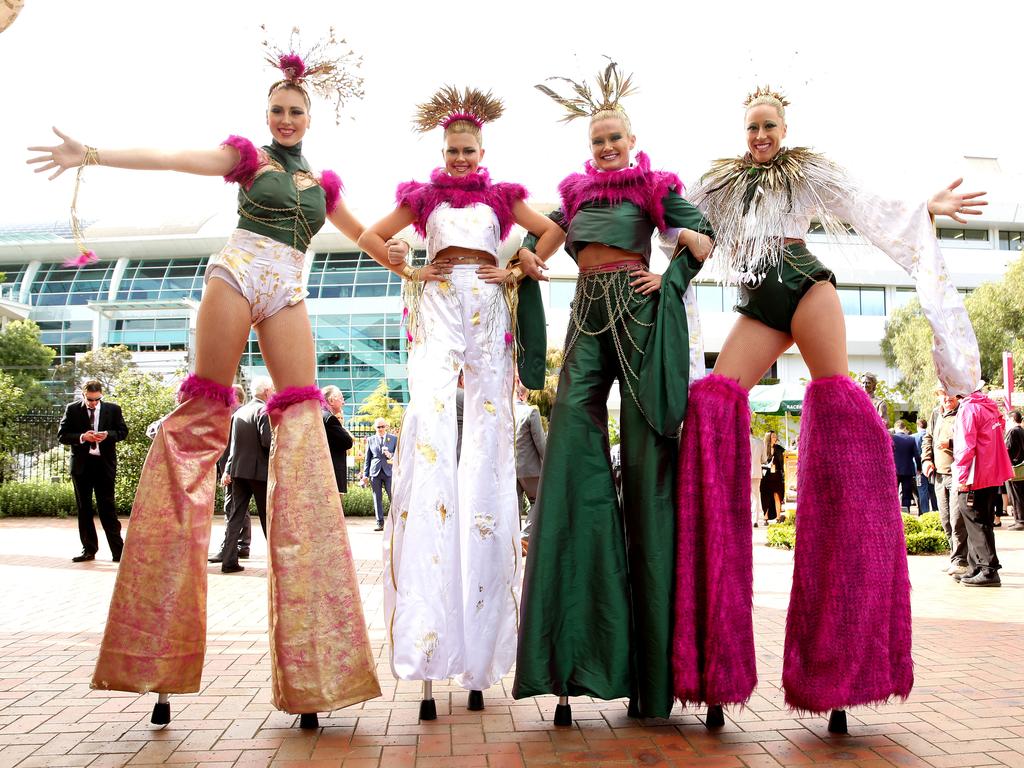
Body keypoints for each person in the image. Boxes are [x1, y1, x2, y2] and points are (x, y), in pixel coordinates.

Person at [29, 35, 380, 726]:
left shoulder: (323, 187)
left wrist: (410, 267)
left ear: (309, 118)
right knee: (197, 427)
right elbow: (172, 159)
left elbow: (367, 236)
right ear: (268, 112)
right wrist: (92, 153)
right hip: (238, 271)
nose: (284, 120)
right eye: (276, 110)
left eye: (294, 112)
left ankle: (318, 671)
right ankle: (157, 656)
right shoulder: (247, 162)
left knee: (305, 438)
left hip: (290, 288)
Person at [672, 85, 984, 718]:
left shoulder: (806, 173)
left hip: (805, 284)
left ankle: (840, 668)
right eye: (751, 128)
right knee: (709, 411)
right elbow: (676, 222)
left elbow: (868, 207)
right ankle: (714, 659)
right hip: (760, 304)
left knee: (844, 425)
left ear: (784, 129)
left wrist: (927, 204)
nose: (759, 137)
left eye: (768, 127)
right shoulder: (720, 185)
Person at [513, 63, 714, 723]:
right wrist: (526, 258)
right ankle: (572, 654)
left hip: (639, 315)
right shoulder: (571, 196)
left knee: (651, 469)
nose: (607, 148)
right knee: (570, 455)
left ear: (631, 140)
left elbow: (702, 238)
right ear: (589, 146)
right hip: (585, 323)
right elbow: (534, 238)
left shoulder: (654, 186)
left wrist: (673, 279)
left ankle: (653, 678)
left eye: (615, 139)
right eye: (598, 140)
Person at [358, 85, 564, 715]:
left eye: (468, 150)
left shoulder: (503, 197)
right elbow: (372, 235)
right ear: (440, 151)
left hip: (488, 309)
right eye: (451, 150)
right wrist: (409, 270)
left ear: (483, 150)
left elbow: (552, 230)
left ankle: (480, 646)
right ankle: (428, 635)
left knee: (488, 448)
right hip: (442, 302)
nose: (459, 159)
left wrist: (523, 264)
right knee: (429, 432)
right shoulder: (423, 199)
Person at [57, 380, 129, 563]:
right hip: (82, 466)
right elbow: (62, 435)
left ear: (101, 396)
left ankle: (118, 552)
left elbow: (122, 431)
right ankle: (88, 550)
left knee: (108, 508)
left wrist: (108, 435)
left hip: (104, 465)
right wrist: (82, 437)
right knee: (84, 509)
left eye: (97, 400)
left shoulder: (113, 409)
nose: (93, 403)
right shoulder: (72, 409)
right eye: (90, 399)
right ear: (84, 395)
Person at [209, 378, 273, 573]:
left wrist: (228, 469)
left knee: (235, 516)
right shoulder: (264, 411)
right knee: (268, 518)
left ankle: (228, 561)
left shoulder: (240, 413)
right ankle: (277, 561)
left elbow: (233, 446)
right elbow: (267, 442)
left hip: (238, 471)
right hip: (259, 472)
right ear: (268, 391)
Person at [954, 390, 1013, 586]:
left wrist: (962, 476)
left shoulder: (969, 409)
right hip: (990, 473)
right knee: (982, 521)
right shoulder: (989, 407)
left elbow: (965, 445)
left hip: (975, 475)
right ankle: (977, 567)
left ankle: (987, 569)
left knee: (975, 520)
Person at [923, 390, 969, 575]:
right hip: (939, 475)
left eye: (950, 396)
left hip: (958, 473)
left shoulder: (963, 412)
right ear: (938, 396)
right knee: (945, 520)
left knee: (956, 519)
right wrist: (926, 459)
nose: (946, 399)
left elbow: (970, 439)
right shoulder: (936, 413)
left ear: (957, 397)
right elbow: (928, 438)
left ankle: (961, 560)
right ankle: (954, 556)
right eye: (943, 396)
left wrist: (950, 443)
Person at [513, 382, 546, 552]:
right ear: (523, 395)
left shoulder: (507, 412)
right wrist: (548, 462)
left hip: (512, 469)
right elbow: (540, 442)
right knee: (539, 500)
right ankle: (524, 538)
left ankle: (512, 541)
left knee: (514, 507)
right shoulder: (531, 411)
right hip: (531, 470)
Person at [361, 418, 396, 531]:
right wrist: (365, 475)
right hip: (375, 472)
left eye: (382, 426)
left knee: (393, 497)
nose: (380, 429)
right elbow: (367, 458)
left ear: (386, 426)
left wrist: (390, 454)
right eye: (378, 427)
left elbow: (398, 454)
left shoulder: (394, 439)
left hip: (389, 471)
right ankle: (379, 523)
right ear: (375, 428)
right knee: (377, 498)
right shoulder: (371, 440)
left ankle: (396, 521)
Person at [322, 385, 354, 498]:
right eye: (341, 398)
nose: (343, 402)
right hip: (331, 475)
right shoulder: (329, 419)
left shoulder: (319, 415)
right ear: (331, 400)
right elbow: (348, 442)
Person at [892, 420, 922, 514]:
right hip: (908, 469)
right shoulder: (911, 439)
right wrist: (919, 468)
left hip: (894, 470)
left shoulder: (892, 438)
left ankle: (894, 512)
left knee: (893, 492)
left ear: (895, 428)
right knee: (907, 493)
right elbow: (917, 455)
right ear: (904, 428)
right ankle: (906, 512)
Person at [760, 430, 785, 523]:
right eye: (773, 436)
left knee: (777, 495)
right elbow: (760, 461)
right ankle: (765, 518)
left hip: (777, 476)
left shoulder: (779, 448)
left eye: (775, 436)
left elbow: (784, 460)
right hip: (766, 476)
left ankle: (778, 517)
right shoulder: (763, 448)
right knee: (765, 496)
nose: (775, 438)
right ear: (768, 437)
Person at [913, 417, 937, 513]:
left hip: (919, 469)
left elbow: (915, 454)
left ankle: (925, 512)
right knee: (933, 490)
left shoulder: (914, 437)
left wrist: (918, 468)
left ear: (918, 426)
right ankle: (936, 511)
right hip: (932, 467)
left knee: (922, 491)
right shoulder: (932, 435)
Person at [1005, 410, 1024, 531]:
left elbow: (1007, 450)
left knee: (1015, 495)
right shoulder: (1022, 430)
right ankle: (1019, 519)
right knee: (1020, 494)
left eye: (1007, 419)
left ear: (1012, 419)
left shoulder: (1012, 431)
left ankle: (1020, 521)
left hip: (1013, 468)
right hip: (1021, 467)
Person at [750, 430, 767, 527]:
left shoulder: (740, 442)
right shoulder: (760, 442)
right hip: (756, 471)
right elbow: (764, 459)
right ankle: (754, 520)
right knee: (756, 496)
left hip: (743, 472)